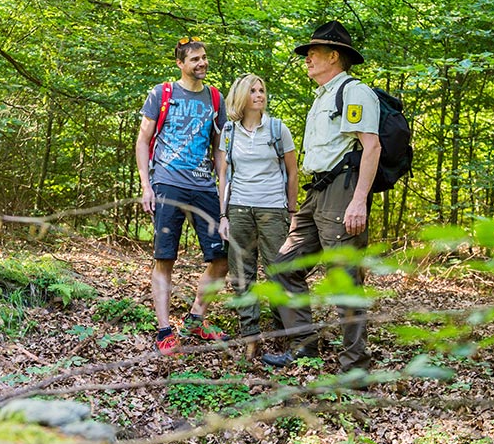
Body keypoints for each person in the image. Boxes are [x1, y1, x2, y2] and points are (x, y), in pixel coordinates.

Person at [261, 21, 380, 373]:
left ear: (334, 56)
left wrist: (359, 200)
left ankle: (354, 368)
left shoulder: (354, 93)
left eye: (314, 53)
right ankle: (305, 346)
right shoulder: (323, 97)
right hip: (317, 193)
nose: (307, 58)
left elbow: (371, 147)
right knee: (283, 266)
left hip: (342, 192)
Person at [135, 36, 230, 356]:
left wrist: (223, 189)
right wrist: (147, 186)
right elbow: (143, 139)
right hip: (167, 183)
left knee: (220, 259)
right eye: (195, 59)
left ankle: (196, 319)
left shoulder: (216, 99)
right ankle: (164, 330)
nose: (202, 63)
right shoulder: (162, 94)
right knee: (165, 258)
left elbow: (219, 149)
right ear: (180, 64)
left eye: (204, 58)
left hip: (205, 188)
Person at [216, 74, 298, 361]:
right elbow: (224, 176)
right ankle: (250, 335)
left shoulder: (278, 129)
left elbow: (292, 173)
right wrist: (223, 214)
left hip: (273, 210)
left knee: (279, 272)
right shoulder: (229, 131)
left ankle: (283, 336)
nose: (259, 94)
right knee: (241, 275)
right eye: (253, 90)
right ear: (241, 96)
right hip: (238, 209)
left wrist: (292, 212)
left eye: (262, 90)